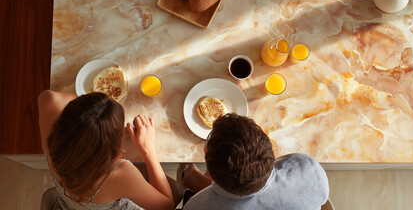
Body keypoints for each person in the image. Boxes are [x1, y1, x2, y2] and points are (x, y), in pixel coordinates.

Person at [38, 90, 180, 210]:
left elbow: (53, 98)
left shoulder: (49, 102)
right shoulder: (120, 175)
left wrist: (93, 119)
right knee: (177, 189)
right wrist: (148, 150)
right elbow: (166, 206)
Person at [180, 113, 329, 210]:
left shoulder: (195, 206)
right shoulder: (307, 170)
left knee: (185, 175)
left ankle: (189, 176)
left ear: (212, 176)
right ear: (271, 152)